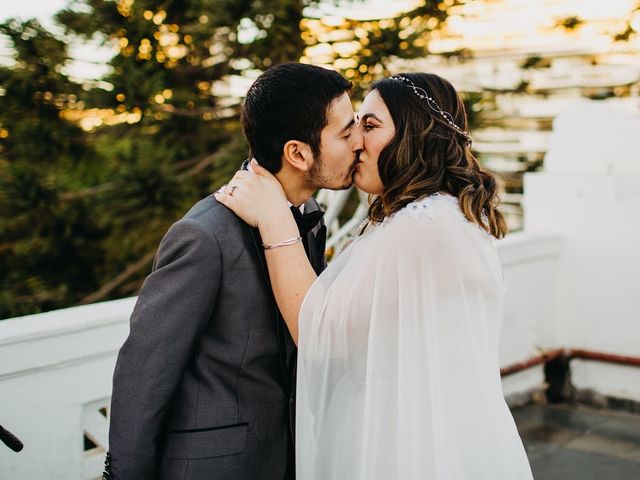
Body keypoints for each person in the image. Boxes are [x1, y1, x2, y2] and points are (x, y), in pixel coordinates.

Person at [215, 72, 534, 479]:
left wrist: (275, 218)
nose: (357, 142)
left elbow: (322, 334)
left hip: (409, 449)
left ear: (415, 136)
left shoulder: (426, 224)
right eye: (353, 126)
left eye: (369, 125)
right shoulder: (435, 215)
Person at [103, 63, 363, 480]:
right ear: (298, 153)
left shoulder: (309, 215)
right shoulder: (204, 234)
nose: (359, 144)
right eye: (346, 133)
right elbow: (143, 370)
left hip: (290, 457)